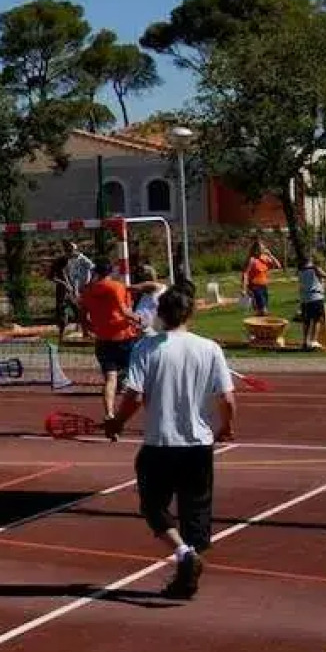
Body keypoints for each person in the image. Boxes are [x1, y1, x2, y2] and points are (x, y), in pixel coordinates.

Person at [104, 285, 237, 600]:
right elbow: (227, 399)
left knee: (153, 507)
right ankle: (187, 567)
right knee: (196, 511)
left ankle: (182, 555)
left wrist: (117, 422)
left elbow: (134, 395)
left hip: (160, 443)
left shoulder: (147, 349)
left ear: (160, 315)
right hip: (198, 445)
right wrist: (227, 427)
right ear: (190, 313)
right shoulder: (210, 348)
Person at [78, 259, 145, 422]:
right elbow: (125, 311)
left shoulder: (87, 291)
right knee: (139, 377)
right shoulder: (117, 287)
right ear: (110, 272)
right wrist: (141, 320)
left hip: (103, 339)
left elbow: (82, 313)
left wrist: (88, 328)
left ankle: (109, 412)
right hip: (123, 337)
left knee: (110, 379)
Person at [296, 254, 326, 349]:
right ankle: (314, 341)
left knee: (306, 321)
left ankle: (305, 341)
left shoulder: (300, 271)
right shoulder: (314, 269)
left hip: (305, 298)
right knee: (317, 319)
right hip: (316, 297)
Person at [241, 240, 280, 316]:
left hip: (264, 286)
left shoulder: (264, 258)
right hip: (254, 287)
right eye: (261, 248)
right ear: (256, 250)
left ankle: (257, 326)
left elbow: (278, 266)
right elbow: (245, 274)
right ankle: (260, 325)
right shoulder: (252, 260)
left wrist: (271, 255)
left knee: (261, 311)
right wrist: (244, 288)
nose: (262, 250)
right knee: (263, 310)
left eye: (263, 248)